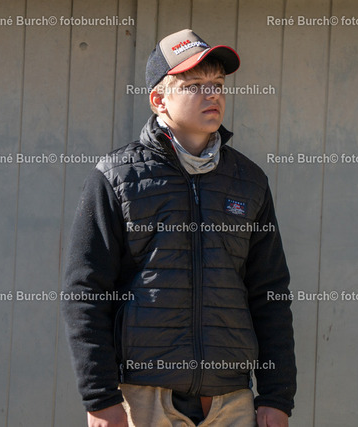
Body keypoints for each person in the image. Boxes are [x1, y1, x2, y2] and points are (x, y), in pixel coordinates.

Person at [62, 28, 296, 427]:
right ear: (159, 100)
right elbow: (85, 292)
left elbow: (269, 293)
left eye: (218, 84)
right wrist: (100, 398)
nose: (212, 94)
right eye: (195, 85)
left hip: (231, 401)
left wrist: (277, 396)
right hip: (143, 398)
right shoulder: (116, 178)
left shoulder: (249, 181)